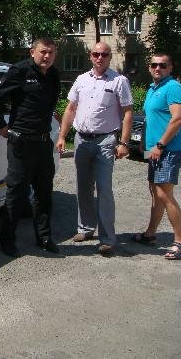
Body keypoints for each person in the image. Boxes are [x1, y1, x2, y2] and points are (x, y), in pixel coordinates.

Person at [56, 42, 133, 257]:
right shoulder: (81, 79)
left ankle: (107, 238)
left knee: (104, 189)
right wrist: (62, 136)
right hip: (81, 139)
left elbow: (127, 112)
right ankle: (86, 228)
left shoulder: (119, 81)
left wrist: (124, 143)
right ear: (90, 56)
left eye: (104, 54)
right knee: (83, 186)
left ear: (110, 56)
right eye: (96, 54)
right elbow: (71, 108)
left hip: (105, 141)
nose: (100, 57)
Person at [0, 37, 61, 257]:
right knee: (17, 193)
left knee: (44, 192)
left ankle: (44, 237)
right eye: (43, 51)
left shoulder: (53, 75)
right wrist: (1, 125)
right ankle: (7, 241)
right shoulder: (19, 71)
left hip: (43, 142)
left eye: (51, 52)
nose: (46, 56)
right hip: (21, 142)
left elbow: (49, 103)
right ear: (32, 52)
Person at [132, 53, 181, 260]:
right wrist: (148, 145)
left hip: (167, 149)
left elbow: (178, 118)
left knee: (164, 194)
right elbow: (151, 118)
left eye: (163, 65)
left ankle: (180, 242)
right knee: (155, 191)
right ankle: (150, 234)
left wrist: (161, 145)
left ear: (170, 68)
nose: (157, 68)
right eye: (154, 64)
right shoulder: (153, 88)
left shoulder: (173, 87)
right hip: (153, 149)